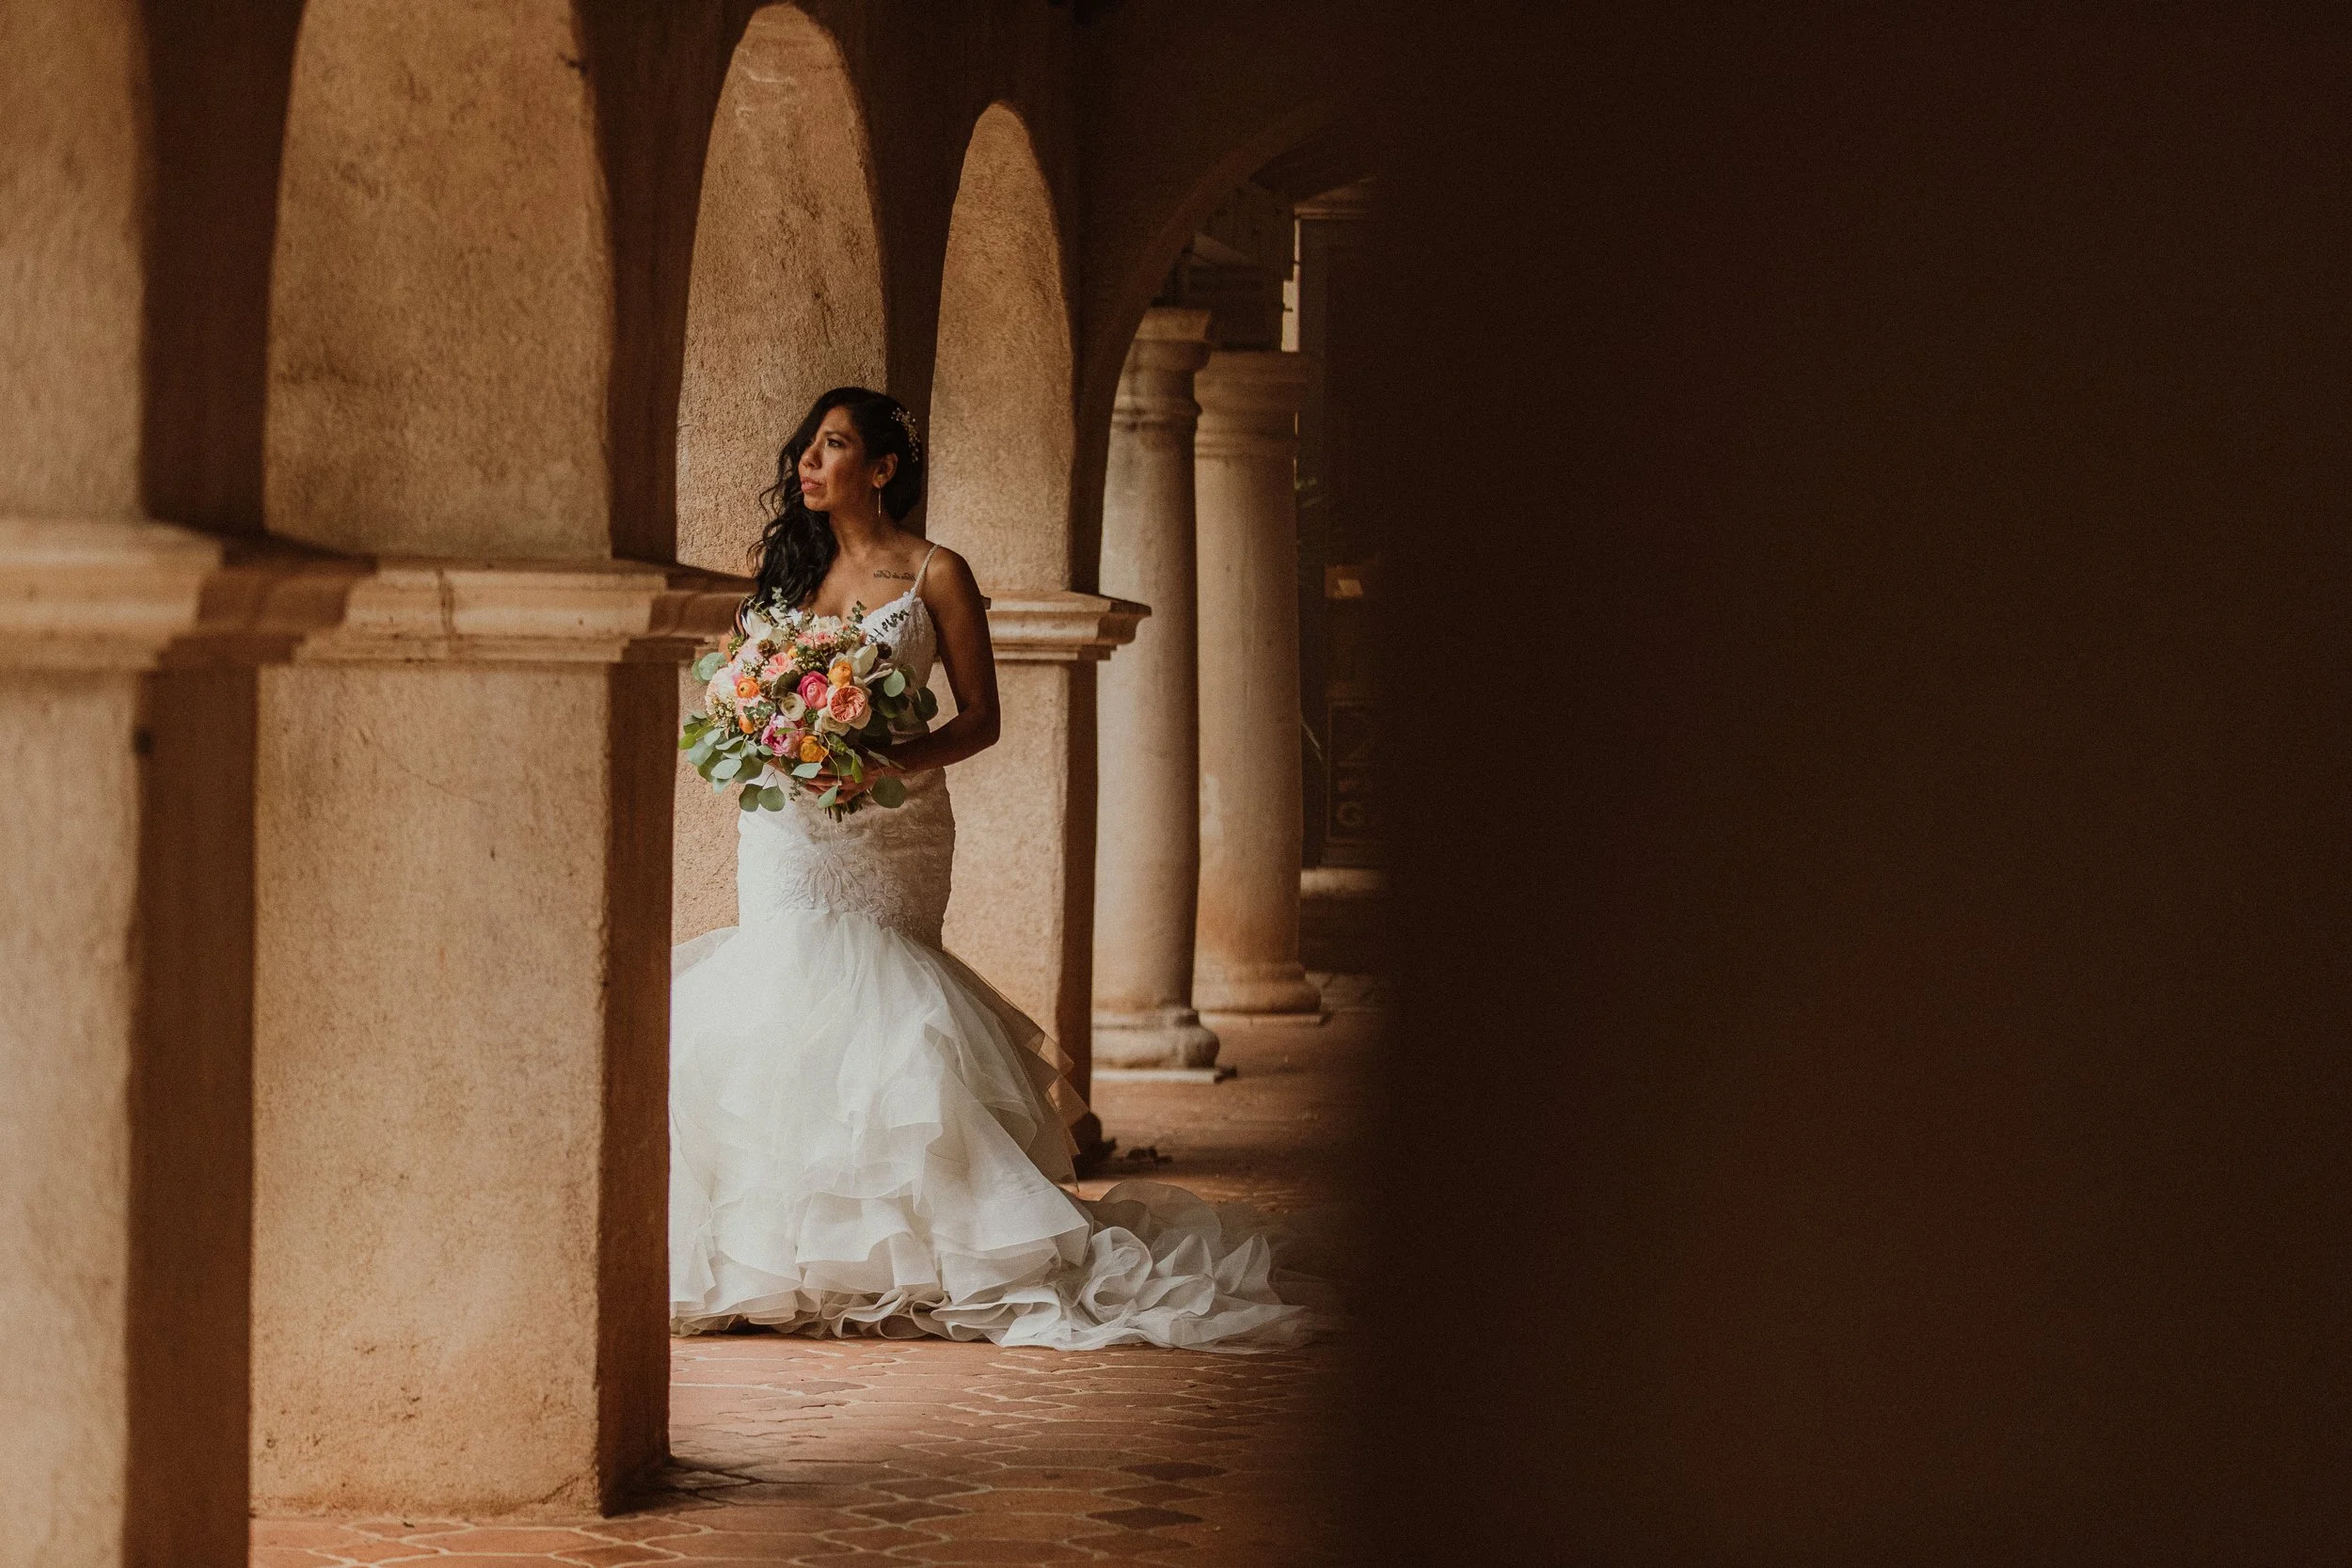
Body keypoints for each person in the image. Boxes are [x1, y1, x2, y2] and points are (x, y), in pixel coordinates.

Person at [667, 387, 1313, 1351]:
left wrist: (881, 759)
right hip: (789, 832)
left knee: (885, 1007)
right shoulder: (781, 568)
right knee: (780, 992)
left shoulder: (936, 573)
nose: (807, 461)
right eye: (805, 446)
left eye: (832, 445)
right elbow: (736, 682)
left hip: (893, 830)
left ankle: (920, 1251)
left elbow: (979, 717)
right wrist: (765, 729)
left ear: (881, 468)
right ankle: (780, 1257)